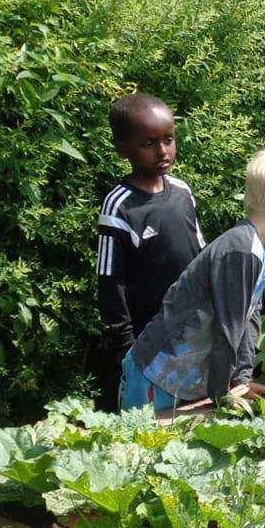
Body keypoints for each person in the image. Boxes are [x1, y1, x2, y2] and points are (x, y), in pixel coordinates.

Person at [120, 146, 265, 413]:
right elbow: (227, 329)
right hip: (155, 376)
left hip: (182, 379)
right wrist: (222, 397)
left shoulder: (258, 251)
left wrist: (241, 380)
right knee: (139, 447)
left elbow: (249, 318)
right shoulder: (239, 251)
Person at [96, 94, 205, 411]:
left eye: (168, 140)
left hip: (191, 333)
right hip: (147, 343)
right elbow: (109, 282)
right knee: (149, 419)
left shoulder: (182, 192)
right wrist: (126, 346)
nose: (162, 151)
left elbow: (200, 254)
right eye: (149, 144)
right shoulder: (119, 206)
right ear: (123, 149)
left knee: (191, 410)